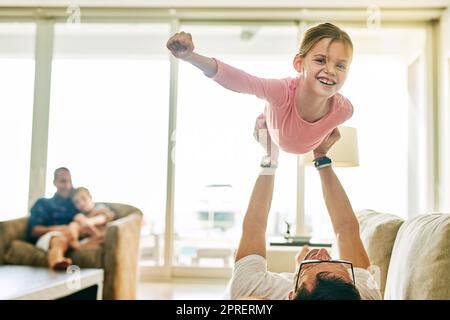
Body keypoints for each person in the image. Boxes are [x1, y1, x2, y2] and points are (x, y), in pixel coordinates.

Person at [226, 117, 382, 300]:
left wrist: (270, 156)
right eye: (338, 264)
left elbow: (255, 225)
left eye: (311, 266)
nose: (323, 253)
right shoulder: (362, 294)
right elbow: (346, 229)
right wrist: (321, 157)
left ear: (291, 297)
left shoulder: (251, 290)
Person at [167, 22, 354, 158]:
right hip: (273, 128)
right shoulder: (282, 92)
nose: (330, 70)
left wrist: (321, 153)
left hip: (307, 143)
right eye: (320, 60)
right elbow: (242, 81)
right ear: (299, 63)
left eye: (340, 65)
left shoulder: (344, 111)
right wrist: (189, 56)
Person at [27, 167, 79, 269]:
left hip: (72, 238)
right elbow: (34, 231)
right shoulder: (43, 203)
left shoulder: (75, 204)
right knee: (60, 239)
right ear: (55, 183)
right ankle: (57, 262)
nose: (67, 185)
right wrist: (59, 229)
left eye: (70, 182)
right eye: (63, 181)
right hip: (51, 238)